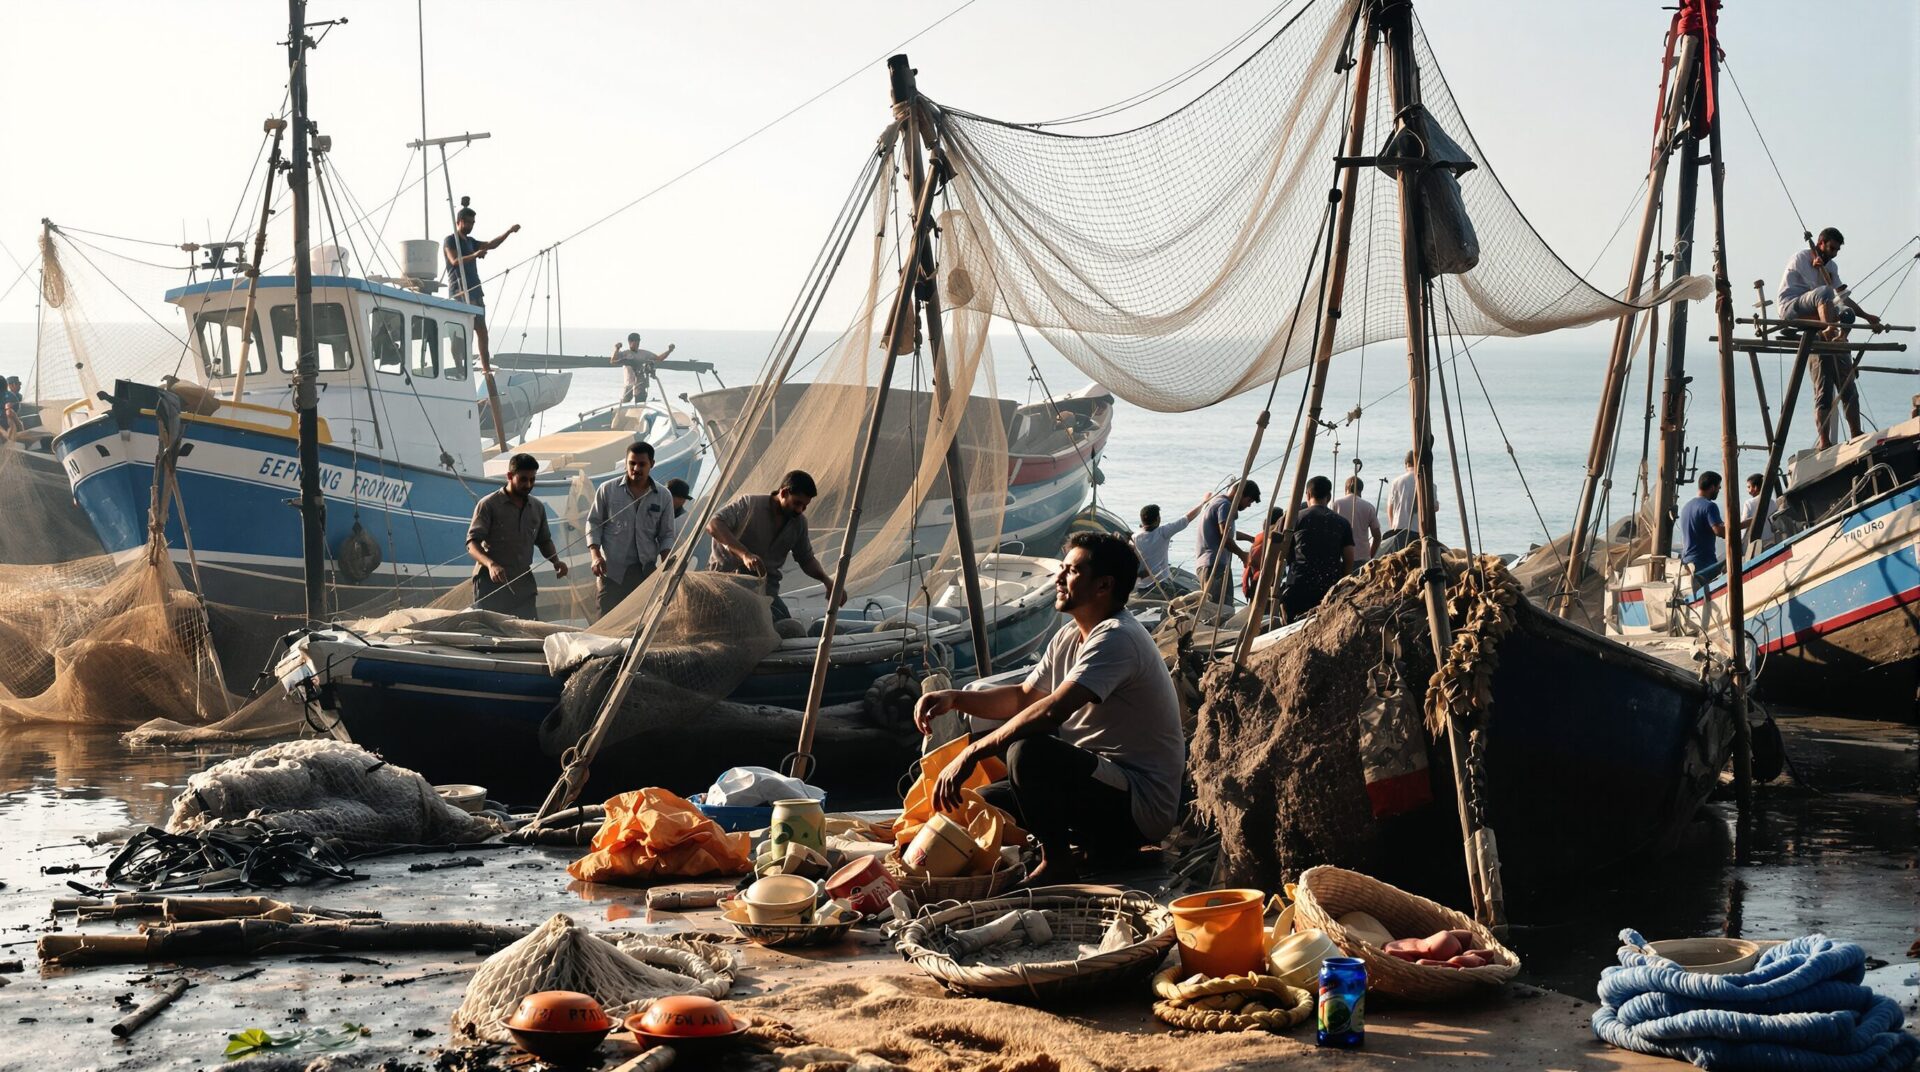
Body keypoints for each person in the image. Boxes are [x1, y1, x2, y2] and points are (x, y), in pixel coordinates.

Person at [914, 532, 1184, 885]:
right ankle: (1089, 848)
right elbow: (1025, 697)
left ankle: (1057, 861)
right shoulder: (1071, 635)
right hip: (1099, 786)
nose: (1058, 577)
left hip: (1139, 807)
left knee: (1027, 752)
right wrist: (955, 698)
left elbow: (1050, 711)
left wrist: (971, 753)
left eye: (1071, 571)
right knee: (982, 803)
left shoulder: (1118, 637)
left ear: (1103, 585)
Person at [1777, 228, 1885, 450]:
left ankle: (1856, 431)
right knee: (1823, 392)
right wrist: (1819, 270)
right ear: (1821, 242)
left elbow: (1842, 295)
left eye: (1837, 250)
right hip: (1793, 308)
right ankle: (1824, 440)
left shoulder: (1831, 267)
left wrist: (1867, 317)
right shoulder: (1802, 258)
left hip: (1820, 311)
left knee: (1848, 387)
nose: (1833, 253)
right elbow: (1821, 291)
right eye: (1831, 248)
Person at [707, 469, 844, 622]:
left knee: (788, 627)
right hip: (726, 585)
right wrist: (745, 554)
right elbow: (714, 525)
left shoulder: (798, 523)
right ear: (784, 492)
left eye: (804, 506)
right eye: (797, 503)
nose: (800, 510)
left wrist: (826, 580)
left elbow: (806, 559)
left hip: (765, 591)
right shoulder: (749, 504)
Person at [467, 452, 568, 619]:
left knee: (526, 631)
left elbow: (544, 541)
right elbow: (472, 544)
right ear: (509, 476)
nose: (528, 484)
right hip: (491, 583)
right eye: (523, 479)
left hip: (523, 582)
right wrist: (491, 565)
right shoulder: (488, 505)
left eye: (532, 479)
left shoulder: (537, 508)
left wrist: (556, 561)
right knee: (491, 635)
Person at [587, 441, 677, 619]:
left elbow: (666, 534)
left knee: (641, 622)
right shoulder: (607, 490)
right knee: (605, 623)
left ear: (652, 464)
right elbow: (593, 523)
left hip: (645, 572)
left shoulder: (663, 496)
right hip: (612, 572)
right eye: (632, 463)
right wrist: (596, 556)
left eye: (642, 464)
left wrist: (667, 562)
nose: (636, 468)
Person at [443, 199, 521, 375]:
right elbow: (455, 261)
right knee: (461, 334)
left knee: (482, 331)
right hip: (460, 291)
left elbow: (491, 245)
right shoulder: (450, 240)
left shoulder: (470, 241)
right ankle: (459, 368)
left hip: (475, 289)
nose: (470, 226)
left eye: (472, 223)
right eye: (467, 222)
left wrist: (508, 232)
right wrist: (475, 254)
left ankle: (485, 369)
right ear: (459, 222)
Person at [1281, 475, 1355, 619]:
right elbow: (1349, 558)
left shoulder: (1295, 519)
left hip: (1299, 586)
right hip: (1329, 587)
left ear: (1308, 495)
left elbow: (1281, 552)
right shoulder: (1342, 523)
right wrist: (1343, 585)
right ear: (1329, 496)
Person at [1195, 479, 1260, 606]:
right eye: (1249, 501)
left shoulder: (1217, 501)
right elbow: (1225, 537)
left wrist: (1251, 539)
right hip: (1215, 565)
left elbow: (1228, 532)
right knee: (1221, 609)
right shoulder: (1225, 505)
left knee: (1212, 607)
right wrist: (1243, 555)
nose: (1249, 505)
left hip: (1206, 563)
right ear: (1239, 495)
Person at [1131, 498, 1204, 591]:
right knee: (1189, 595)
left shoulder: (1135, 537)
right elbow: (1187, 518)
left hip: (1140, 586)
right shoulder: (1162, 532)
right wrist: (1203, 503)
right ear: (1158, 519)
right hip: (1160, 585)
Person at [1678, 470, 1726, 586]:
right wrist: (1743, 525)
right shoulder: (1709, 506)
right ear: (1712, 487)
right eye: (1719, 488)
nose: (1719, 491)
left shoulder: (1686, 507)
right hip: (1704, 564)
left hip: (1688, 563)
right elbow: (1719, 532)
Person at [1331, 474, 1381, 569]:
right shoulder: (1368, 507)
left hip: (1341, 556)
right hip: (1362, 557)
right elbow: (1377, 536)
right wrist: (1370, 556)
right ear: (1361, 490)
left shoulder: (1335, 504)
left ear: (1346, 488)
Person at [611, 334, 676, 405]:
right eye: (635, 342)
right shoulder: (625, 353)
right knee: (624, 403)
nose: (637, 344)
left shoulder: (644, 354)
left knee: (640, 403)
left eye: (638, 342)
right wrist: (617, 349)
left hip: (641, 385)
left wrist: (669, 351)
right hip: (629, 384)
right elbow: (613, 361)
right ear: (630, 342)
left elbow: (659, 358)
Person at [1378, 450, 1419, 555]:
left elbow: (1390, 508)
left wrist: (1393, 525)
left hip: (1399, 529)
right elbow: (1434, 507)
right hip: (1418, 531)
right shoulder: (1426, 480)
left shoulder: (1396, 482)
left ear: (1406, 464)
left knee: (1399, 561)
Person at [1241, 507, 1284, 600]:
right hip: (1266, 581)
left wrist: (1245, 587)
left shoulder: (1259, 537)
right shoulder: (1275, 538)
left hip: (1256, 581)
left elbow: (1248, 565)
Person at [1742, 472, 1771, 545]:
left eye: (1749, 487)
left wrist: (1741, 541)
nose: (1748, 490)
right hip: (1771, 537)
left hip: (1757, 542)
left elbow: (1744, 527)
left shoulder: (1749, 503)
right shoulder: (1772, 501)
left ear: (1755, 487)